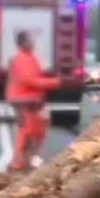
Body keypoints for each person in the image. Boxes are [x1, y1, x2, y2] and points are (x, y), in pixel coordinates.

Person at [6, 30, 62, 171]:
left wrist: (51, 77)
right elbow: (28, 80)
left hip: (34, 100)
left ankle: (29, 160)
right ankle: (18, 165)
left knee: (39, 128)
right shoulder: (21, 58)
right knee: (27, 131)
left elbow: (37, 75)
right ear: (22, 43)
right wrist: (56, 82)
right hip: (24, 101)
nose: (33, 43)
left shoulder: (31, 57)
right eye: (30, 40)